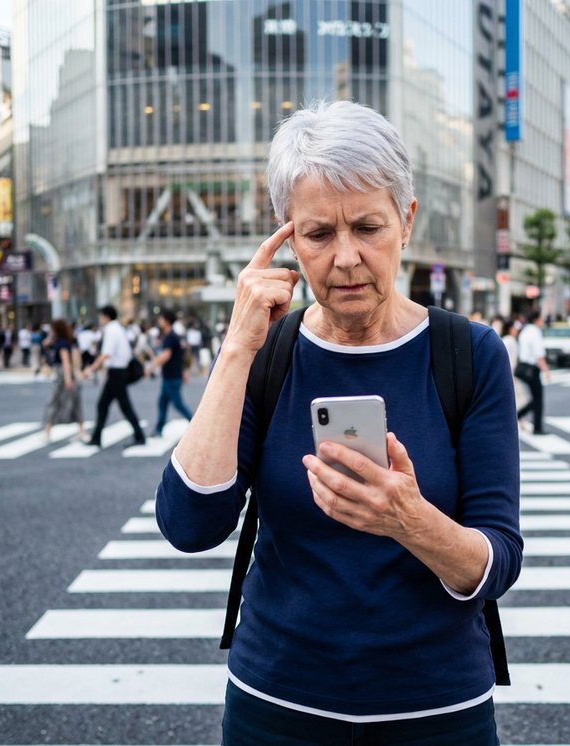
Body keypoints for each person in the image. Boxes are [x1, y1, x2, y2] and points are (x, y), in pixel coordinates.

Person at [155, 100, 522, 744]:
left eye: (368, 227)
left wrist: (409, 520)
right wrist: (238, 347)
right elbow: (189, 525)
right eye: (319, 233)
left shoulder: (469, 353)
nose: (346, 257)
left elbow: (495, 563)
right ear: (287, 237)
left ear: (406, 222)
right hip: (276, 703)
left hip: (436, 711)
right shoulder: (268, 350)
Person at [82, 304, 145, 447]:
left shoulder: (111, 330)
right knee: (105, 405)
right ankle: (97, 437)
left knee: (120, 406)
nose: (100, 319)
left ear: (105, 316)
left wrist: (90, 369)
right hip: (118, 372)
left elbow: (106, 354)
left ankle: (139, 435)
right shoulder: (118, 328)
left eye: (101, 316)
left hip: (116, 372)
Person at [146, 309, 194, 437]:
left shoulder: (170, 337)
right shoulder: (172, 336)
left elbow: (166, 356)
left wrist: (150, 367)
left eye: (161, 319)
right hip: (171, 375)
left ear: (166, 321)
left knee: (178, 404)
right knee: (162, 402)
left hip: (172, 376)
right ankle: (158, 429)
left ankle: (195, 426)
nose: (159, 321)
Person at [41, 318, 86, 441]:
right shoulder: (69, 341)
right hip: (69, 374)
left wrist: (67, 379)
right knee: (75, 402)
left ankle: (47, 430)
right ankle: (81, 430)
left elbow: (65, 362)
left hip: (63, 375)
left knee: (54, 402)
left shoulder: (61, 343)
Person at [515, 310, 551, 435]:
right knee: (538, 399)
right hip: (531, 369)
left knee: (535, 399)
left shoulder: (525, 331)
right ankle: (536, 426)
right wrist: (546, 370)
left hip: (523, 367)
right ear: (536, 319)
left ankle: (518, 417)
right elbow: (539, 354)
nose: (543, 321)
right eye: (541, 319)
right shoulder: (535, 332)